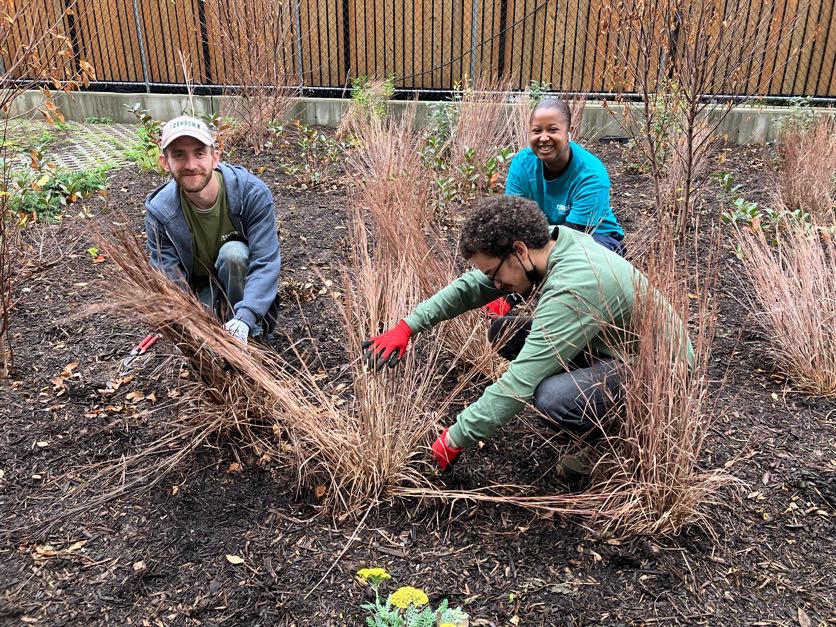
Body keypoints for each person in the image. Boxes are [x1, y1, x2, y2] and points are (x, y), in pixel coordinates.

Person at [362, 196, 691, 475]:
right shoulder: (548, 243)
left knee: (551, 396)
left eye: (494, 273)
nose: (497, 285)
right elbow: (471, 288)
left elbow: (519, 383)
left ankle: (613, 444)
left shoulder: (574, 286)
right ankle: (597, 413)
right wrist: (408, 326)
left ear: (519, 251)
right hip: (613, 347)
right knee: (507, 332)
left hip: (661, 372)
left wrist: (453, 439)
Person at [483, 98, 625, 319]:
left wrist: (516, 286)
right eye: (536, 130)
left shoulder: (591, 174)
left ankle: (554, 313)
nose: (543, 137)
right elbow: (511, 221)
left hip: (595, 239)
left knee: (571, 270)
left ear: (569, 132)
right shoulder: (522, 164)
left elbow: (569, 240)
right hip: (545, 234)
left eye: (553, 130)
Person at [145, 115, 281, 345]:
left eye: (199, 153)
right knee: (205, 343)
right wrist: (189, 324)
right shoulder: (159, 212)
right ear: (164, 162)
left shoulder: (250, 194)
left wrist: (246, 317)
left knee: (234, 254)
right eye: (179, 154)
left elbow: (265, 262)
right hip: (202, 293)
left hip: (247, 293)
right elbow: (167, 277)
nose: (190, 165)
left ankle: (251, 339)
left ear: (215, 157)